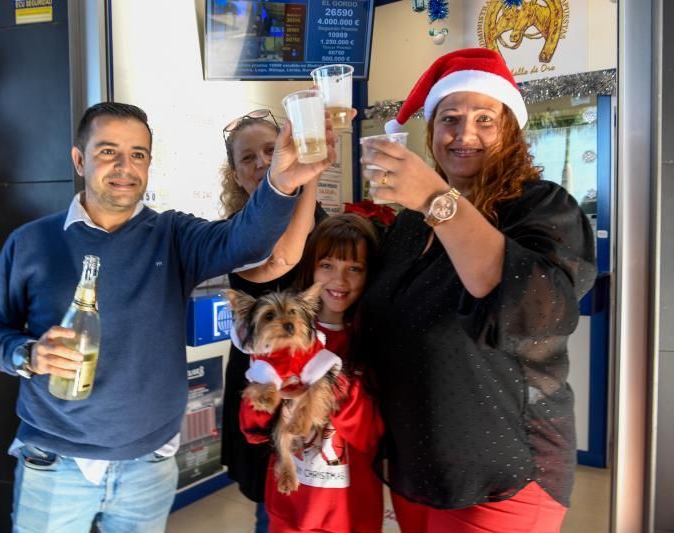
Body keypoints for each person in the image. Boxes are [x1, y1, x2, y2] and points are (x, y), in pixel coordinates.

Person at [0, 101, 335, 532]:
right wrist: (28, 353)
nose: (125, 166)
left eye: (138, 154)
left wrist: (284, 181)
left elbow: (247, 243)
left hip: (148, 465)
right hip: (55, 463)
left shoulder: (173, 235)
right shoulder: (31, 242)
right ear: (79, 159)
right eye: (108, 152)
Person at [359, 48, 597, 532]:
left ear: (509, 130)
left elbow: (533, 311)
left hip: (505, 472)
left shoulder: (540, 207)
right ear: (431, 132)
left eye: (485, 118)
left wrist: (434, 197)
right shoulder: (407, 225)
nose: (464, 133)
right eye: (450, 118)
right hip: (417, 469)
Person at [218, 108, 329, 532]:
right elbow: (282, 258)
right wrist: (309, 175)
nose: (263, 162)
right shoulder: (235, 232)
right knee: (276, 504)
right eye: (248, 158)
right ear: (235, 173)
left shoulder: (329, 224)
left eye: (271, 150)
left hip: (319, 381)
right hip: (262, 383)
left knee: (327, 497)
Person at [240, 213, 385, 533]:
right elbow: (251, 428)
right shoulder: (279, 335)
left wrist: (334, 385)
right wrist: (270, 398)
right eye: (328, 265)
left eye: (355, 269)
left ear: (369, 274)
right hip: (290, 509)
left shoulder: (375, 340)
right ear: (310, 268)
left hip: (350, 514)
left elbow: (371, 435)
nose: (340, 280)